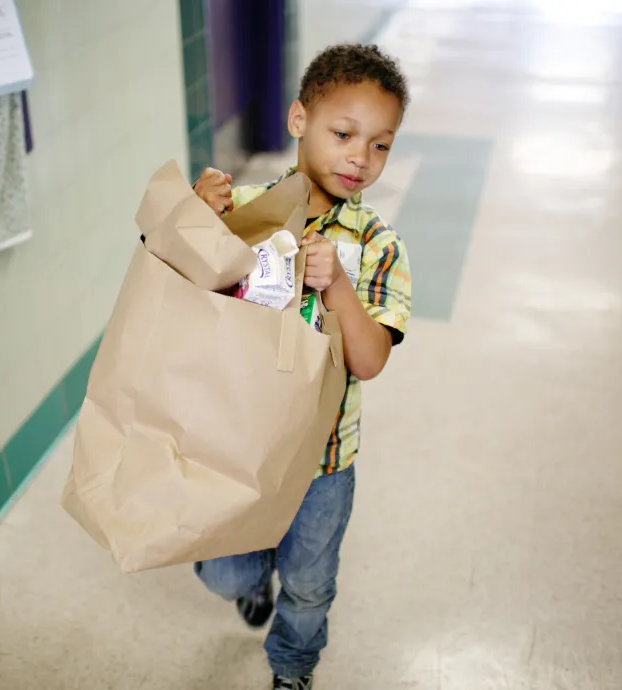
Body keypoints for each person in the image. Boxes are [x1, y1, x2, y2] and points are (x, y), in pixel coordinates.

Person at [191, 43, 412, 690]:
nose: (360, 158)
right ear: (298, 121)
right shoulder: (247, 210)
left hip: (323, 461)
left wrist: (338, 287)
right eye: (344, 134)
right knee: (224, 570)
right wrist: (197, 221)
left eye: (381, 145)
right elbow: (186, 295)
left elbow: (369, 362)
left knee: (311, 584)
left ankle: (292, 667)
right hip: (239, 445)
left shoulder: (377, 244)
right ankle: (249, 582)